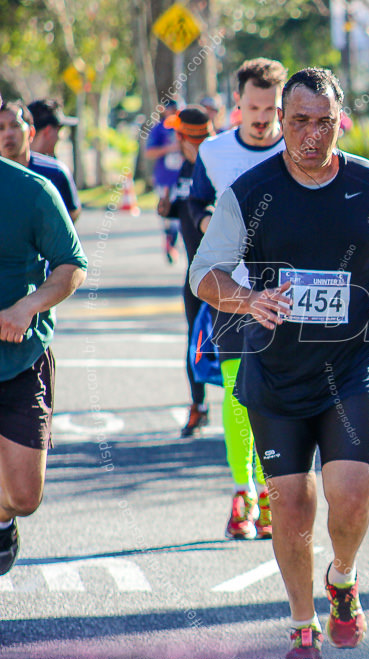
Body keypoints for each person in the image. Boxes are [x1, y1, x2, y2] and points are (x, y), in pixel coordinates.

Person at [189, 67, 369, 659]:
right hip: (276, 368)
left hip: (353, 363)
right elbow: (205, 273)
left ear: (338, 122)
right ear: (281, 121)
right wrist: (249, 299)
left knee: (350, 493)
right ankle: (302, 619)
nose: (312, 136)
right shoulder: (251, 191)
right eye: (299, 121)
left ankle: (342, 580)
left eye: (324, 123)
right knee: (292, 505)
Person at [188, 58, 288, 540]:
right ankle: (243, 493)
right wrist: (221, 230)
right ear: (237, 105)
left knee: (277, 397)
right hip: (231, 292)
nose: (262, 116)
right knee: (236, 396)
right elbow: (195, 207)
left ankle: (272, 492)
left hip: (289, 297)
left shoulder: (301, 148)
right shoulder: (213, 152)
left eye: (271, 107)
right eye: (253, 106)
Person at [0, 92, 88, 576]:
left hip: (19, 357)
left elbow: (72, 265)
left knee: (24, 496)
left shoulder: (33, 190)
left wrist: (26, 306)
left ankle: (3, 520)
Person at [164, 107, 215, 437]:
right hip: (194, 272)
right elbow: (177, 207)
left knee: (238, 345)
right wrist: (166, 208)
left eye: (177, 134)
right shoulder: (184, 167)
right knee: (194, 341)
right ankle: (198, 406)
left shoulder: (216, 163)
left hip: (227, 272)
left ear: (184, 137)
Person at [0, 100, 81, 222]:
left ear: (31, 132)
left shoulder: (55, 173)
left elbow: (71, 216)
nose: (8, 134)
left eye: (15, 125)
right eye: (1, 128)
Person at [144, 99, 184, 263]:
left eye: (175, 109)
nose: (172, 112)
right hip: (164, 179)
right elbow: (150, 152)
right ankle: (170, 243)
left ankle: (174, 244)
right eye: (170, 109)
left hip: (182, 179)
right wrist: (170, 148)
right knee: (168, 214)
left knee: (181, 215)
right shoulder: (159, 129)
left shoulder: (183, 127)